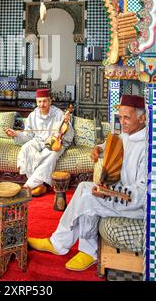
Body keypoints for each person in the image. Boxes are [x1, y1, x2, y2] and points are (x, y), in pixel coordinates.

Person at [27, 94, 146, 271]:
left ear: (142, 118)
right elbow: (112, 143)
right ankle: (61, 243)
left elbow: (142, 194)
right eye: (120, 117)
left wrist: (110, 193)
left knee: (90, 197)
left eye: (126, 117)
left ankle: (80, 249)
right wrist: (99, 149)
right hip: (122, 194)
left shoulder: (148, 146)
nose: (122, 122)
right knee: (84, 187)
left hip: (136, 206)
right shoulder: (129, 134)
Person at [5, 89, 74, 197]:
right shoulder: (33, 115)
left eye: (44, 101)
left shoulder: (59, 113)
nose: (42, 105)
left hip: (55, 142)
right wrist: (16, 134)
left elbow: (68, 135)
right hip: (38, 141)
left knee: (52, 154)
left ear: (50, 101)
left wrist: (67, 123)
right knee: (26, 148)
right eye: (39, 102)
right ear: (36, 102)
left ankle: (28, 186)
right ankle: (41, 185)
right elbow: (28, 136)